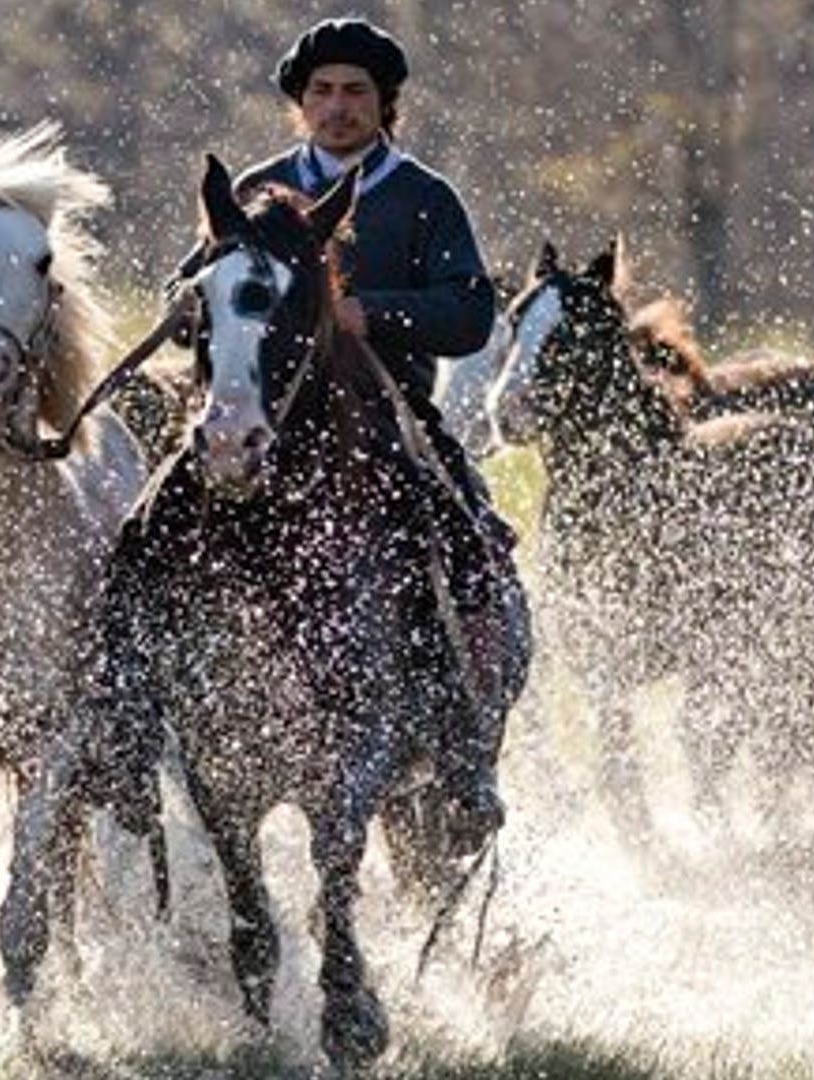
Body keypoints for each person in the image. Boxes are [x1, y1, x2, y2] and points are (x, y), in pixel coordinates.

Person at [91, 17, 521, 855]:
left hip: (384, 409)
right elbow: (197, 279)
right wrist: (191, 299)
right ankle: (124, 729)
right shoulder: (257, 184)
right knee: (142, 535)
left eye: (355, 92)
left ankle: (463, 751)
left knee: (455, 541)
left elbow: (471, 312)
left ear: (384, 104)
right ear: (300, 103)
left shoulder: (424, 197)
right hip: (252, 409)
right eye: (321, 92)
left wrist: (371, 312)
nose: (337, 108)